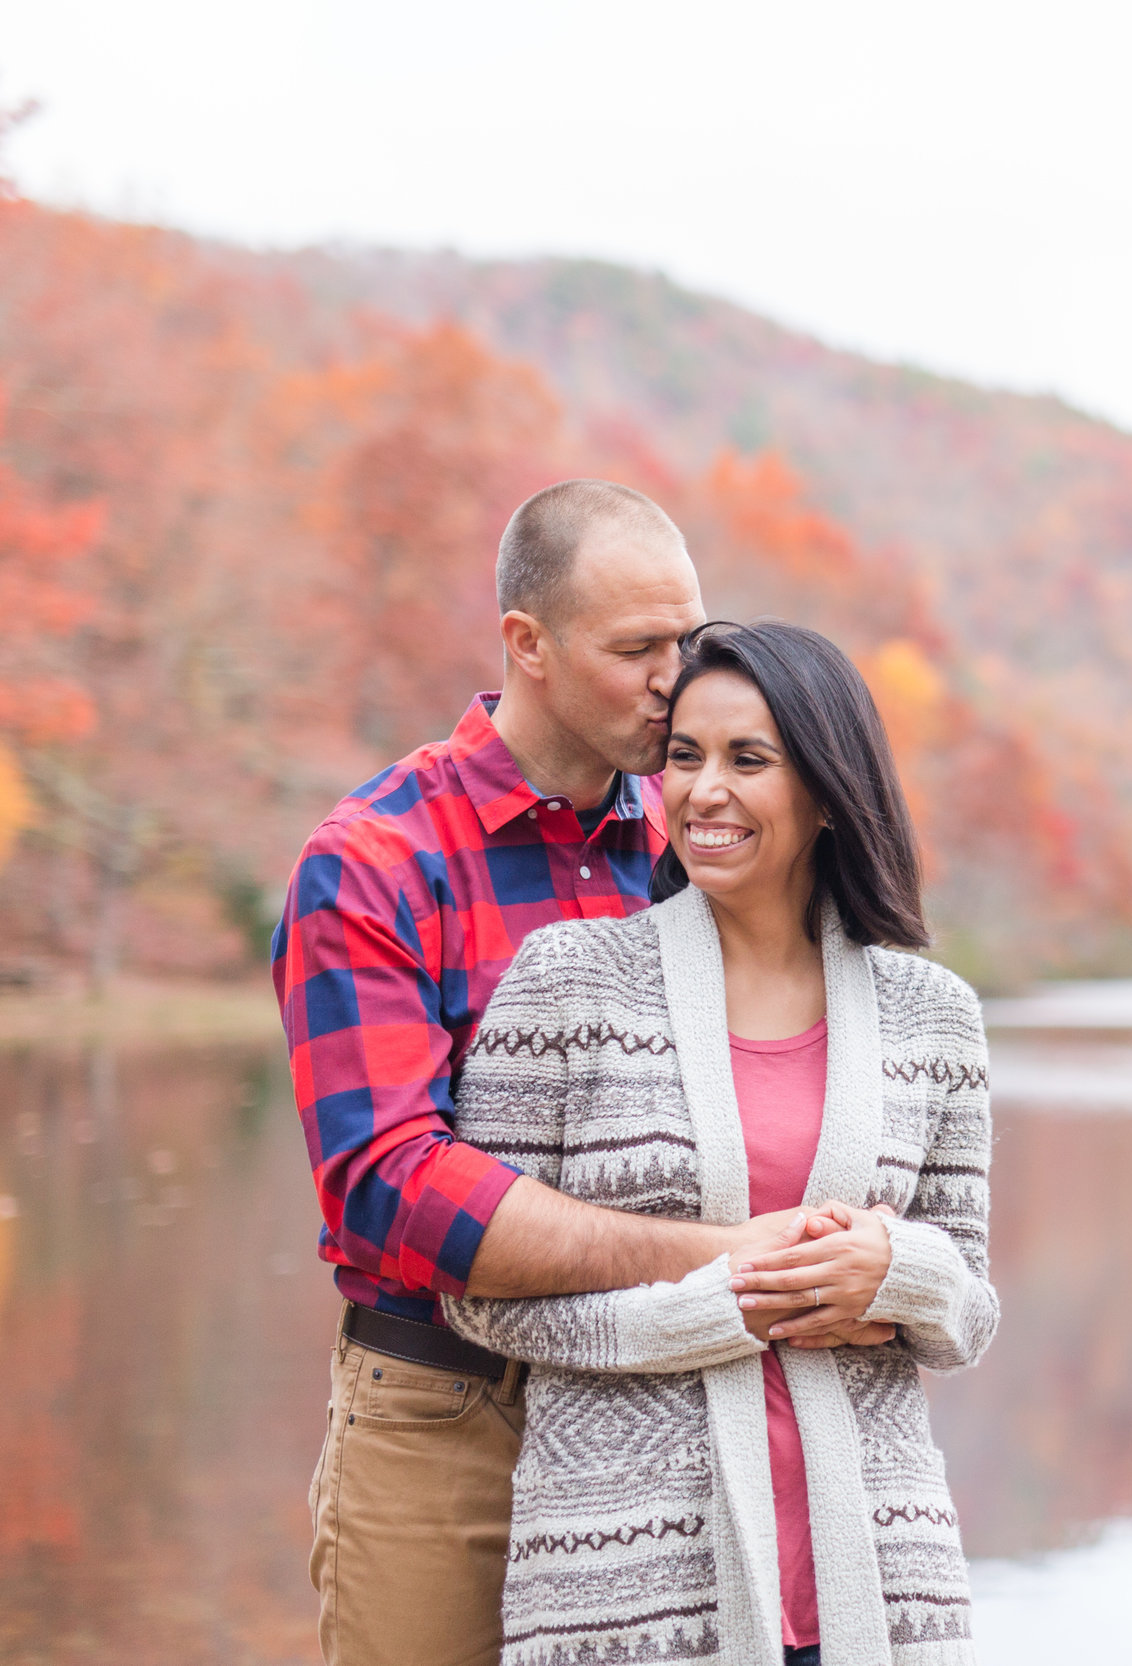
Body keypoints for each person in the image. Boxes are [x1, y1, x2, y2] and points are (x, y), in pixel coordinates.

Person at [275, 482, 876, 1666]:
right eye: (637, 649)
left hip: (666, 1393)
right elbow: (391, 1188)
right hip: (451, 1404)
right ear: (527, 645)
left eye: (688, 641)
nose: (675, 677)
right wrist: (723, 1256)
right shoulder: (375, 860)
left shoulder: (698, 832)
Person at [441, 619, 998, 1666]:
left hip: (881, 1582)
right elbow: (477, 1293)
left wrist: (900, 1273)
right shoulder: (568, 982)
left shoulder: (934, 1015)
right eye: (684, 757)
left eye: (749, 760)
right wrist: (722, 1303)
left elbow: (968, 1306)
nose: (704, 792)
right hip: (627, 1586)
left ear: (829, 788)